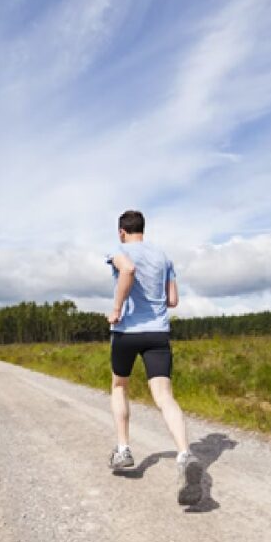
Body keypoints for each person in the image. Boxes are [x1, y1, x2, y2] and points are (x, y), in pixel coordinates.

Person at [105, 210, 202, 505]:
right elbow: (172, 300)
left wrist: (117, 308)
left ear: (122, 232)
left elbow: (128, 269)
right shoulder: (163, 257)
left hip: (126, 332)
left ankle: (123, 450)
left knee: (120, 386)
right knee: (164, 396)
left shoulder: (118, 251)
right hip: (158, 333)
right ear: (143, 229)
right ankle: (184, 454)